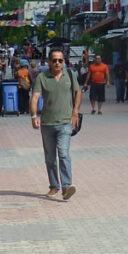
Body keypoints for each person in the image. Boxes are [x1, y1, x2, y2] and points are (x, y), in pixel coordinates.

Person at [30, 48, 81, 201]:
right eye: (54, 60)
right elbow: (35, 97)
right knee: (50, 157)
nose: (57, 63)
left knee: (63, 153)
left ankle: (66, 186)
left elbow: (78, 92)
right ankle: (54, 186)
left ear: (63, 61)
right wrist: (34, 115)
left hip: (65, 122)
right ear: (48, 62)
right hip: (47, 123)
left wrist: (75, 112)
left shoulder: (70, 75)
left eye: (60, 60)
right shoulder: (42, 77)